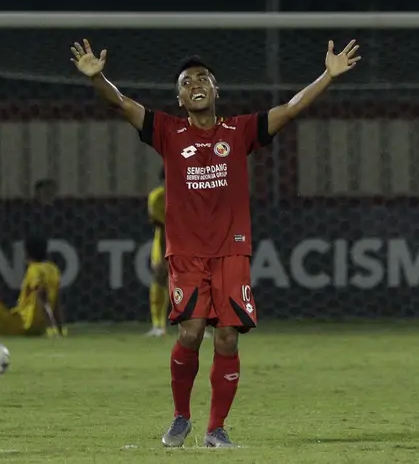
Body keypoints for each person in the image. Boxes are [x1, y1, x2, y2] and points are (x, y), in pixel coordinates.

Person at [70, 38, 359, 449]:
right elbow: (121, 104)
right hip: (186, 252)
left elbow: (292, 108)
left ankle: (216, 427)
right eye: (187, 82)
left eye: (203, 78)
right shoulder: (167, 131)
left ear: (216, 90)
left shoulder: (239, 131)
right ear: (179, 96)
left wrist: (327, 76)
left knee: (227, 337)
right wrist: (98, 78)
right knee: (189, 333)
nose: (196, 84)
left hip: (231, 250)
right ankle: (180, 418)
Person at [145, 170, 169, 338]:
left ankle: (198, 325)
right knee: (160, 277)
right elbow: (161, 227)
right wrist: (162, 255)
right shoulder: (157, 198)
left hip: (190, 241)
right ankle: (158, 325)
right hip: (165, 241)